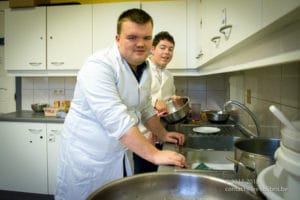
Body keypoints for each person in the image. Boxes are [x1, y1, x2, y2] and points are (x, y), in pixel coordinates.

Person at [55, 8, 187, 200]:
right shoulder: (98, 66)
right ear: (117, 39)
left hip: (118, 153)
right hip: (89, 157)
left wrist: (163, 134)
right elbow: (116, 119)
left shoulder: (145, 68)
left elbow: (145, 107)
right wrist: (155, 155)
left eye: (146, 37)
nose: (140, 44)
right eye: (132, 37)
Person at [133, 31, 180, 174]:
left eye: (170, 49)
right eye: (163, 47)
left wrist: (174, 100)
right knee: (142, 175)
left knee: (157, 174)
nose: (167, 52)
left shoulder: (169, 75)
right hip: (141, 134)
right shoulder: (140, 68)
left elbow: (166, 101)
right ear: (152, 49)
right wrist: (154, 102)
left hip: (160, 133)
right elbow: (134, 98)